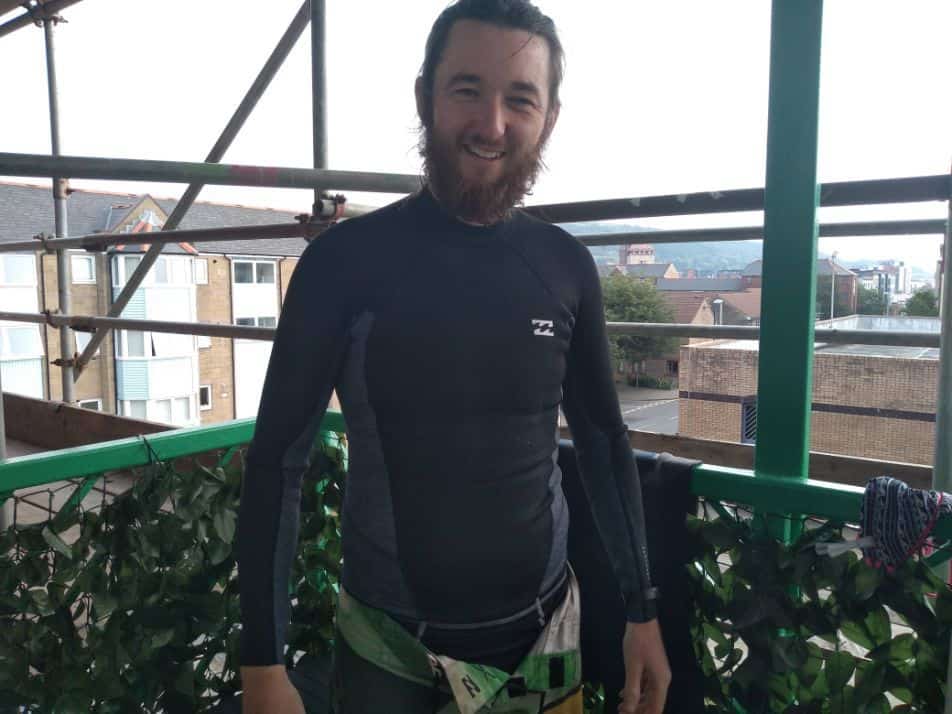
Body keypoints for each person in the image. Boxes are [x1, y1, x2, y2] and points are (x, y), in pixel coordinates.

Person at [238, 1, 671, 712]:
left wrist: (641, 609)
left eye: (520, 99)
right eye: (467, 89)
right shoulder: (342, 265)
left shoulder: (565, 266)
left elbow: (601, 441)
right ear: (425, 98)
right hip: (389, 648)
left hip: (546, 637)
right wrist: (263, 662)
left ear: (550, 117)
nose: (492, 124)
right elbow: (277, 463)